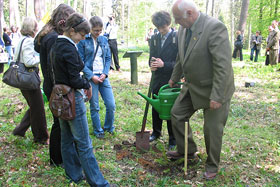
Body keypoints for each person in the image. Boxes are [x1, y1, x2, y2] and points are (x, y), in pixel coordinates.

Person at [167, 0, 235, 180]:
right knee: (177, 114)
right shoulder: (183, 28)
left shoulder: (214, 28)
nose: (176, 23)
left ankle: (212, 165)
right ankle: (188, 152)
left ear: (190, 13)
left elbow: (223, 66)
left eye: (178, 18)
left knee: (212, 129)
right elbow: (182, 56)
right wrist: (174, 77)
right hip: (193, 85)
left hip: (215, 87)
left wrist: (217, 95)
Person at [51, 13, 110, 186]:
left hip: (60, 96)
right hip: (71, 98)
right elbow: (74, 79)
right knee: (84, 142)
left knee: (67, 139)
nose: (82, 39)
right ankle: (98, 182)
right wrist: (87, 84)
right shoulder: (68, 48)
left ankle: (74, 174)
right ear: (71, 31)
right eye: (82, 35)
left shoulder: (57, 44)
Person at [34, 4, 75, 166]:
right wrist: (59, 90)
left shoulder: (49, 35)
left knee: (60, 123)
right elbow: (53, 68)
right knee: (59, 123)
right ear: (62, 22)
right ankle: (56, 160)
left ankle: (59, 157)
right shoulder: (52, 38)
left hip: (53, 86)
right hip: (55, 87)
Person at [12, 17, 49, 145]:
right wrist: (41, 57)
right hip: (29, 79)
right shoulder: (28, 41)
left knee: (34, 106)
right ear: (33, 28)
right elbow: (28, 62)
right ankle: (41, 138)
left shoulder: (20, 40)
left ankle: (20, 129)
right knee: (38, 109)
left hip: (22, 80)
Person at [78, 16, 116, 139]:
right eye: (95, 30)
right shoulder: (83, 41)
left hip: (103, 76)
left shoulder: (104, 40)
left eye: (100, 30)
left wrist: (105, 73)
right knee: (94, 105)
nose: (98, 33)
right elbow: (80, 61)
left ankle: (109, 127)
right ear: (90, 29)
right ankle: (98, 130)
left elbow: (107, 58)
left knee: (111, 105)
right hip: (91, 77)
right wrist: (91, 76)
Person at [148, 11, 178, 150]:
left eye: (163, 27)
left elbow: (180, 62)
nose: (161, 30)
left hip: (171, 79)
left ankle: (173, 138)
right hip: (157, 78)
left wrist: (164, 64)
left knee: (170, 108)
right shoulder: (154, 38)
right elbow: (152, 57)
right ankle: (156, 132)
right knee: (155, 104)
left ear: (169, 24)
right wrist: (152, 64)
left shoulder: (176, 37)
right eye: (158, 27)